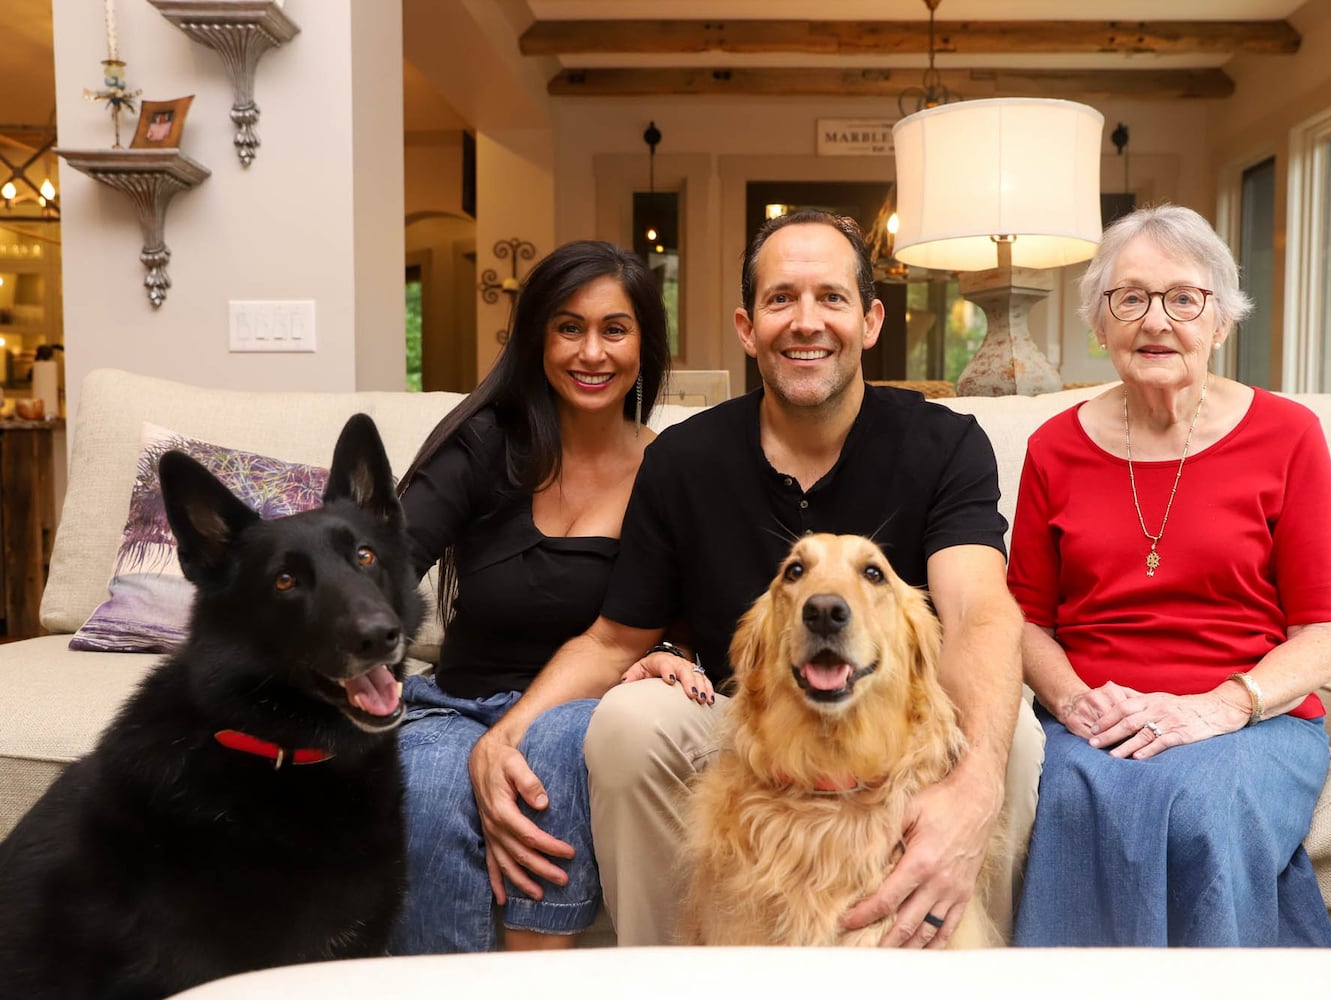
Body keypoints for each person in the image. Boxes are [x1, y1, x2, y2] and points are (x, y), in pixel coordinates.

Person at [467, 208, 1043, 948]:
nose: (806, 322)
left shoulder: (944, 443)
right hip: (746, 724)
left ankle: (962, 958)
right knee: (628, 722)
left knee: (1014, 740)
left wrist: (975, 784)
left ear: (870, 321)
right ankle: (675, 975)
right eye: (781, 300)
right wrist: (507, 734)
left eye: (831, 298)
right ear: (747, 328)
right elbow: (613, 639)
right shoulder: (684, 460)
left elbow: (977, 613)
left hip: (896, 726)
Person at [1006, 203, 1331, 947]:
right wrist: (1073, 702)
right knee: (1067, 795)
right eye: (1130, 298)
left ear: (1221, 321)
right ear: (1099, 323)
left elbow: (1326, 627)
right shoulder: (1053, 449)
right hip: (1097, 716)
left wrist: (1224, 707)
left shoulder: (1288, 435)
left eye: (1183, 299)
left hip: (1251, 716)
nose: (1155, 321)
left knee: (1200, 801)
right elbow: (1026, 621)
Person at [389, 240, 669, 953]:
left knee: (557, 744)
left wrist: (675, 652)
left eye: (614, 329)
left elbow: (686, 611)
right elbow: (386, 564)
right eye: (569, 327)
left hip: (587, 710)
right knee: (424, 789)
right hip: (455, 705)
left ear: (644, 342)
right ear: (538, 339)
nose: (591, 352)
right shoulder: (485, 442)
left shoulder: (672, 469)